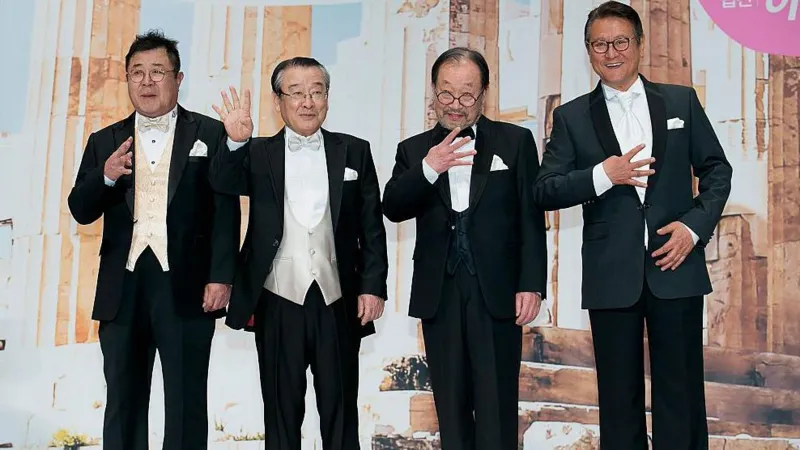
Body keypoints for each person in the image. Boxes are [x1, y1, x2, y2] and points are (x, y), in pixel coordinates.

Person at [532, 2, 733, 448]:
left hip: (675, 264)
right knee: (618, 401)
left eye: (621, 41)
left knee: (680, 394)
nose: (611, 52)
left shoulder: (680, 100)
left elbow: (717, 169)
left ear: (639, 44)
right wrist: (604, 175)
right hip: (611, 273)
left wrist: (693, 228)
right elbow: (544, 189)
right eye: (600, 44)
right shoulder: (571, 117)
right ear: (588, 51)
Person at [67, 30, 241, 450]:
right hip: (121, 289)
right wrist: (105, 176)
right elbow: (80, 208)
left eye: (157, 72)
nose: (146, 82)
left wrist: (221, 277)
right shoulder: (104, 140)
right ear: (127, 80)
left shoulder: (212, 134)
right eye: (137, 73)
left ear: (178, 79)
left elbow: (226, 212)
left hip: (187, 286)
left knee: (185, 401)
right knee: (123, 401)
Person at [209, 56, 388, 450]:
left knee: (341, 413)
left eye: (316, 92)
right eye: (296, 93)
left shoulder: (355, 151)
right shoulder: (257, 152)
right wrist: (236, 141)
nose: (307, 102)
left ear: (327, 98)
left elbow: (372, 226)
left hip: (338, 300)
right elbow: (221, 181)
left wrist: (373, 287)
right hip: (277, 300)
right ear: (278, 101)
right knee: (281, 413)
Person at [382, 47, 548, 450]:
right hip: (439, 292)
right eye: (446, 94)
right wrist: (429, 167)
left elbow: (531, 216)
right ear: (433, 92)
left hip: (497, 291)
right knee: (450, 405)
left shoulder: (516, 141)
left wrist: (532, 283)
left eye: (467, 95)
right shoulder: (413, 149)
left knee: (497, 405)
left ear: (484, 94)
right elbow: (393, 206)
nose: (455, 105)